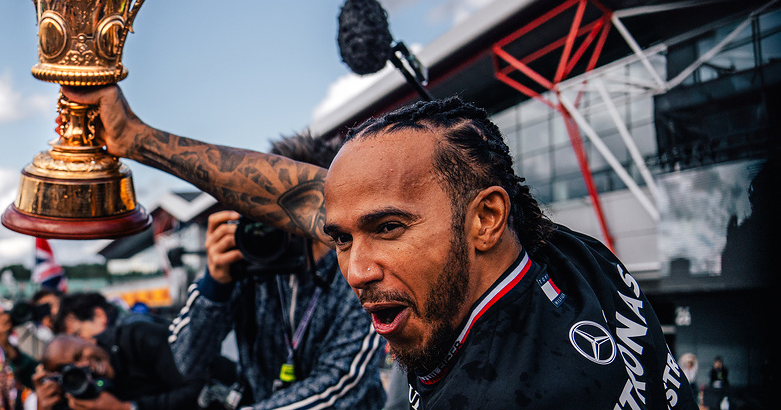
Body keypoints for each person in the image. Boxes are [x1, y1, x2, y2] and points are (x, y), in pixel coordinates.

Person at [62, 85, 694, 409]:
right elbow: (300, 195)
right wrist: (134, 137)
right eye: (339, 238)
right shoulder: (560, 253)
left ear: (485, 219)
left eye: (388, 229)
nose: (357, 270)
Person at [168, 131, 386, 410]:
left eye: (281, 210)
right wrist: (215, 286)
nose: (269, 222)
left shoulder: (355, 271)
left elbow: (340, 382)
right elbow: (186, 365)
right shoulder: (247, 264)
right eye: (260, 209)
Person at [34, 333, 199, 410]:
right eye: (73, 373)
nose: (85, 366)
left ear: (87, 339)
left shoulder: (136, 339)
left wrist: (127, 408)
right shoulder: (78, 401)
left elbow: (196, 390)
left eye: (79, 355)